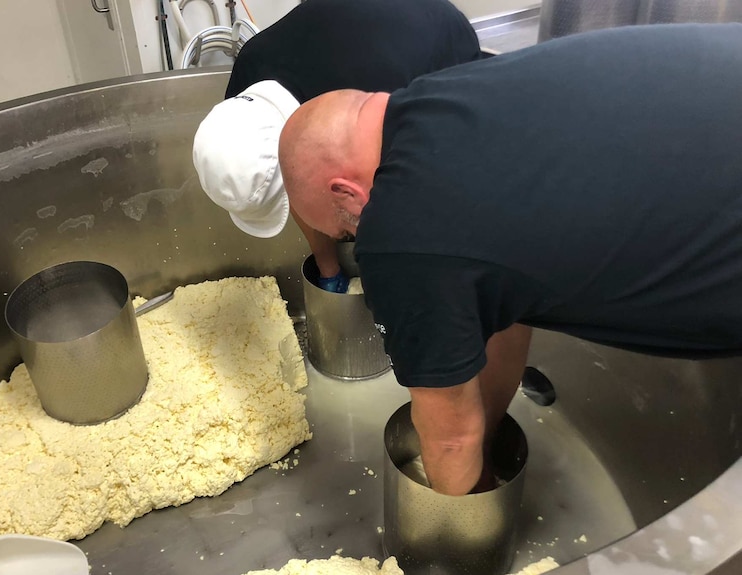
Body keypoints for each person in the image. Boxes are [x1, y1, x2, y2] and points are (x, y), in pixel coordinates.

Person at [277, 23, 742, 496]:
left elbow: (452, 441)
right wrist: (489, 433)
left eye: (345, 229)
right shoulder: (448, 91)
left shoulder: (400, 227)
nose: (356, 238)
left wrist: (466, 513)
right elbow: (502, 307)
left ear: (345, 191)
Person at [192, 0, 483, 292]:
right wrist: (328, 267)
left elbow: (411, 197)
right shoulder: (244, 82)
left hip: (438, 41)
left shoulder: (376, 101)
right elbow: (294, 192)